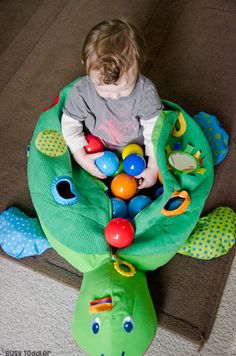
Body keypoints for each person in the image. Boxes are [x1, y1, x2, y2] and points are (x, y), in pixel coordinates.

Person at [61, 19, 163, 189]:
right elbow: (70, 123)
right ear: (86, 68)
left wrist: (153, 167)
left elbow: (156, 131)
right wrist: (80, 157)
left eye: (124, 89)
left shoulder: (145, 92)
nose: (115, 96)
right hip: (96, 149)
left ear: (138, 68)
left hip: (135, 151)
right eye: (104, 90)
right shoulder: (81, 91)